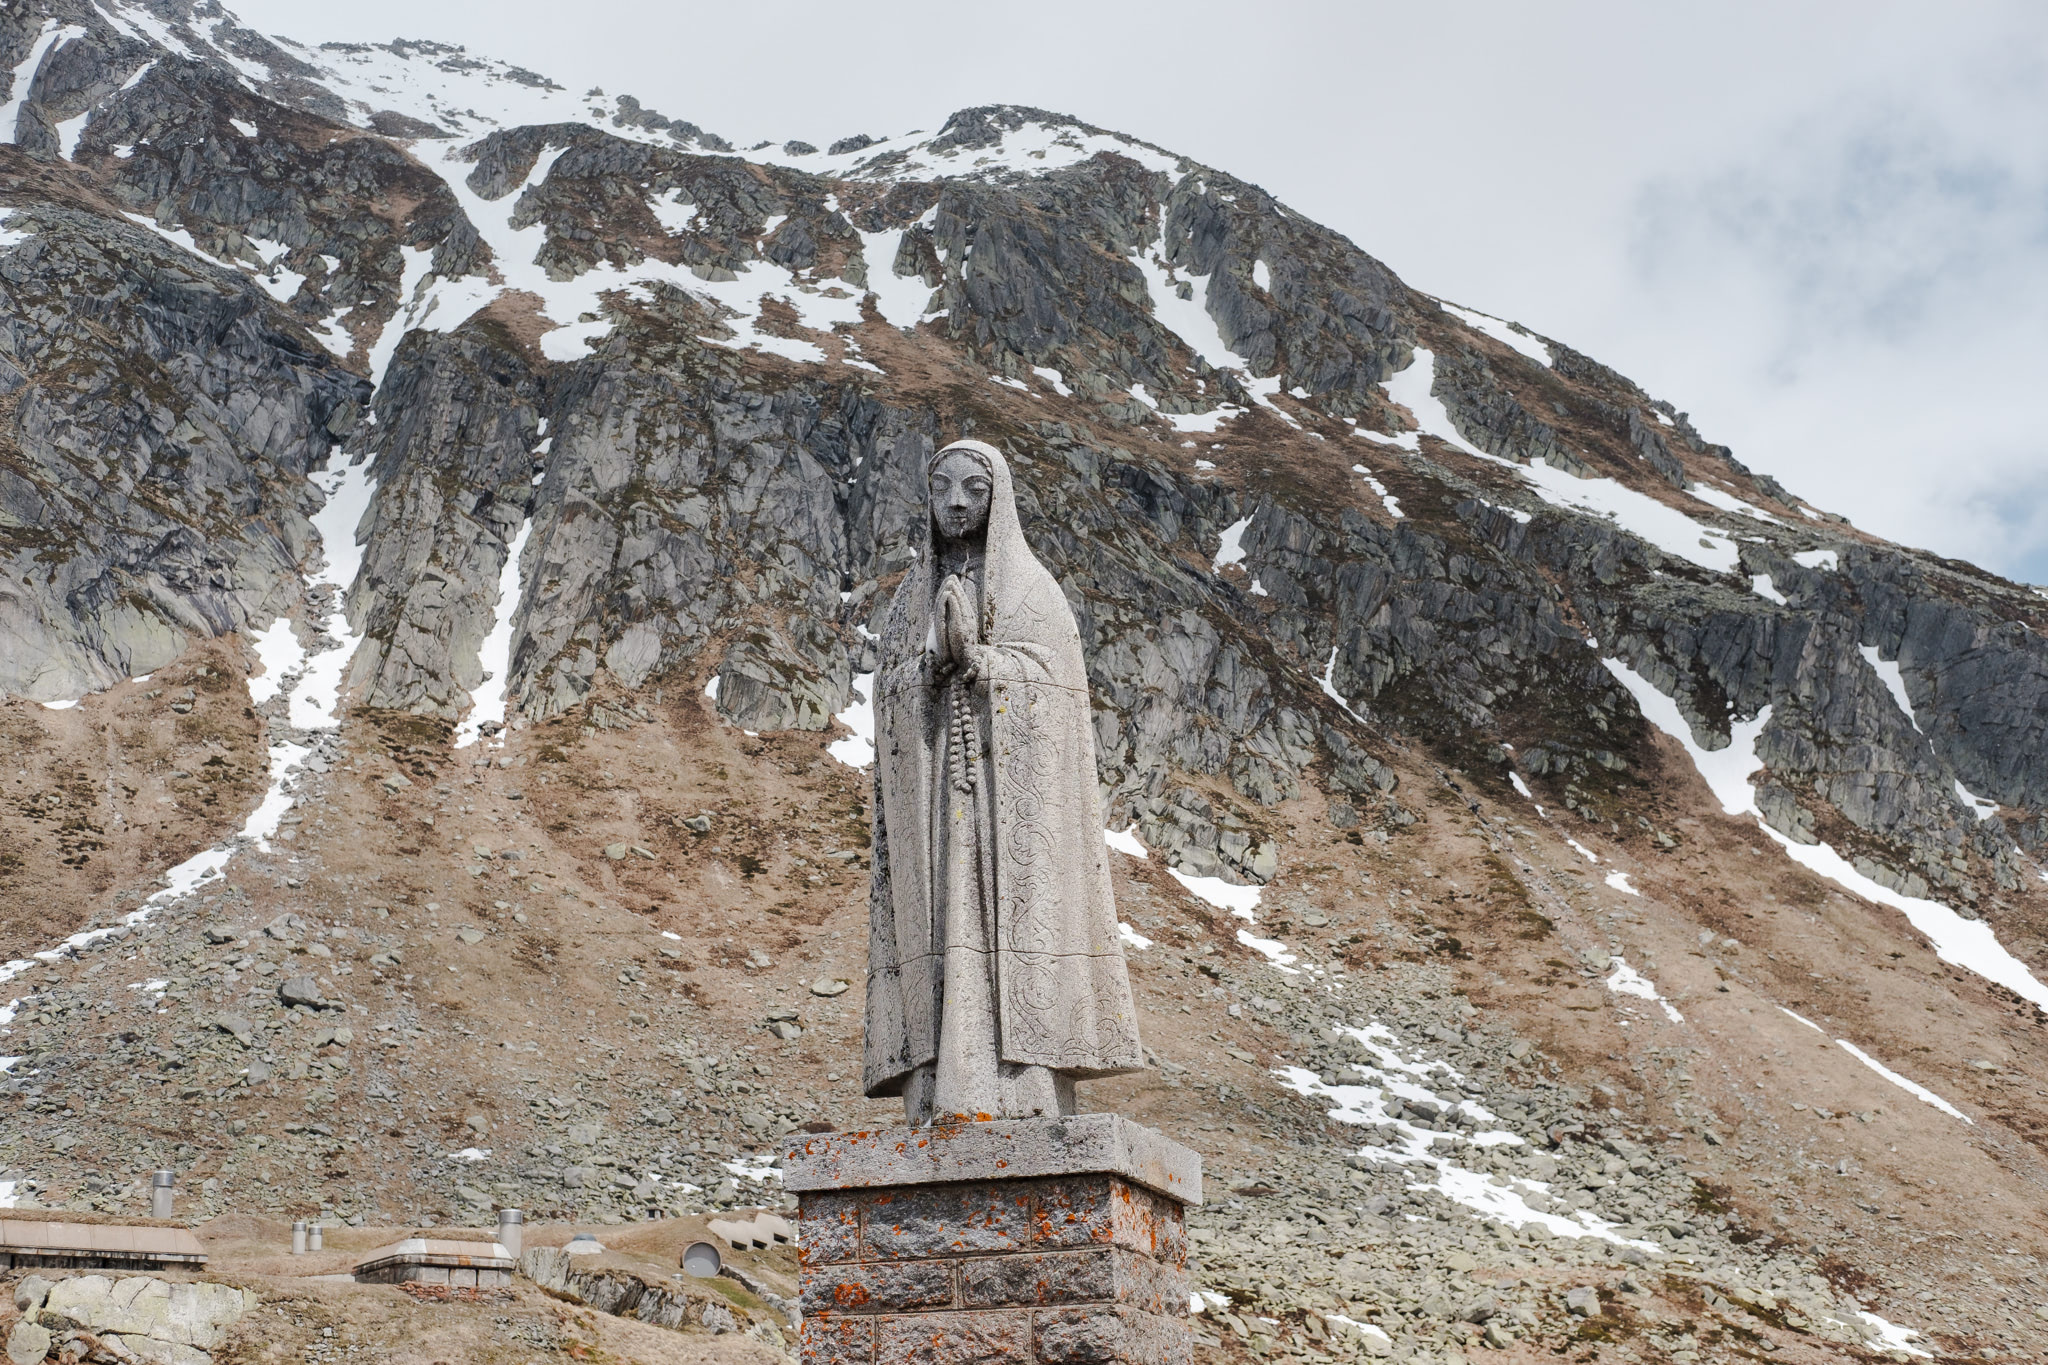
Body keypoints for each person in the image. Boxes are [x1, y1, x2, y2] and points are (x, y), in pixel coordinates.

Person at [863, 438, 1143, 1125]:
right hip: (938, 805)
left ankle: (1021, 1083)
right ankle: (937, 1080)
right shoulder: (910, 599)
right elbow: (891, 694)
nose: (956, 502)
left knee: (1011, 932)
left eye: (973, 489)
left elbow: (1059, 690)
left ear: (999, 500)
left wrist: (990, 665)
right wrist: (929, 665)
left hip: (1005, 800)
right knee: (940, 922)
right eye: (943, 488)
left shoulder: (1031, 590)